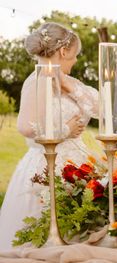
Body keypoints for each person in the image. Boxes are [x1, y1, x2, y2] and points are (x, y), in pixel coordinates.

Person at [0, 22, 99, 251]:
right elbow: (26, 126)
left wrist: (68, 86)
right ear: (63, 52)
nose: (75, 60)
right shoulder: (35, 82)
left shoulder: (69, 81)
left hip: (78, 165)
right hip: (45, 167)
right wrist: (64, 130)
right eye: (74, 55)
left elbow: (99, 109)